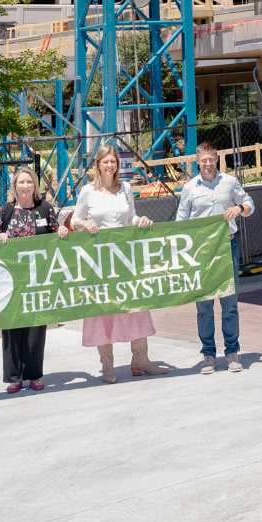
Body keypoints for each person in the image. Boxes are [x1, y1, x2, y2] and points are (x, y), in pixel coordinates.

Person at [68, 144, 162, 382]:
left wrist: (141, 220)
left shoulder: (126, 189)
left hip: (125, 258)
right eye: (106, 161)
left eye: (114, 162)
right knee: (103, 310)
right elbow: (76, 220)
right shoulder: (88, 191)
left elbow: (131, 217)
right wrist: (84, 225)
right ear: (98, 164)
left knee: (136, 306)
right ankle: (107, 364)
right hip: (99, 260)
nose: (110, 165)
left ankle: (141, 359)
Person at [175, 143, 254, 374]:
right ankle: (208, 354)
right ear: (197, 161)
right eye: (204, 160)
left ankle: (232, 352)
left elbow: (250, 204)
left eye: (211, 159)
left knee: (229, 303)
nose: (208, 164)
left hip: (228, 245)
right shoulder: (189, 188)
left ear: (217, 159)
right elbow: (182, 221)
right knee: (204, 305)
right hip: (202, 251)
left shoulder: (229, 183)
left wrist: (239, 209)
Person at [0, 165, 58, 393]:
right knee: (12, 328)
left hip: (38, 279)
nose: (25, 186)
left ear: (35, 186)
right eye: (21, 182)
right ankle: (14, 378)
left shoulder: (45, 209)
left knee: (36, 327)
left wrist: (63, 233)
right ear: (15, 186)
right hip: (10, 281)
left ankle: (34, 375)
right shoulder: (4, 212)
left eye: (29, 182)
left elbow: (56, 236)